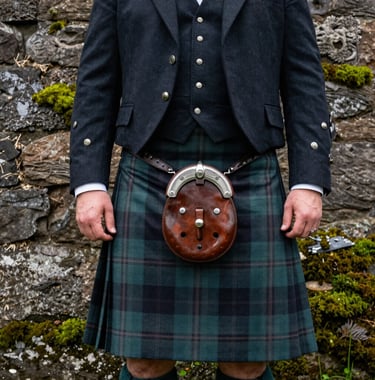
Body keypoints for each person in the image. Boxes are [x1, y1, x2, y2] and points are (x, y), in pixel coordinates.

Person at [70, 0, 333, 379]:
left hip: (247, 168)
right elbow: (96, 81)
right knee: (144, 360)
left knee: (248, 359)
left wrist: (308, 183)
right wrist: (89, 184)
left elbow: (304, 80)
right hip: (149, 171)